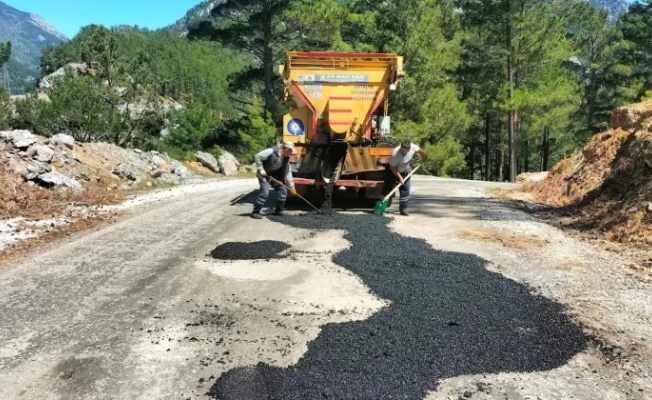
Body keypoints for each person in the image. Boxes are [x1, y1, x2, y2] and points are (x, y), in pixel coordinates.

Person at [251, 142, 298, 219]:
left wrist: (292, 187)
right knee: (265, 193)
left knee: (283, 192)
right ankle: (255, 212)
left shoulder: (285, 160)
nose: (291, 153)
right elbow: (257, 156)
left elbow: (288, 174)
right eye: (290, 151)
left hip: (275, 177)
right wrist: (261, 169)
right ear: (285, 149)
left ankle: (278, 211)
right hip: (264, 175)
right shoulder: (271, 151)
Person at [380, 140, 427, 216]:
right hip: (392, 171)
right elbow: (393, 167)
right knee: (388, 187)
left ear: (408, 149)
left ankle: (403, 209)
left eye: (405, 150)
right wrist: (400, 178)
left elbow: (420, 150)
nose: (403, 151)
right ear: (401, 146)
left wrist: (424, 157)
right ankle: (381, 207)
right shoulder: (395, 153)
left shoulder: (413, 147)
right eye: (402, 148)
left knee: (405, 188)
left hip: (405, 170)